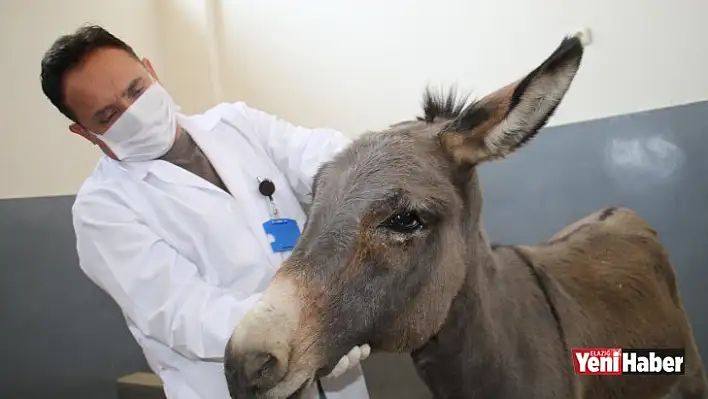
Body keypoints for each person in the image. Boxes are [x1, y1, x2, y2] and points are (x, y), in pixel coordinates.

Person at [39, 25, 371, 399]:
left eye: (136, 90)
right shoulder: (103, 210)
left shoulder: (235, 124)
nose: (134, 113)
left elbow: (330, 160)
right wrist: (307, 327)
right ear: (84, 132)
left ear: (152, 71)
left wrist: (392, 170)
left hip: (338, 380)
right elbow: (186, 314)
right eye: (108, 115)